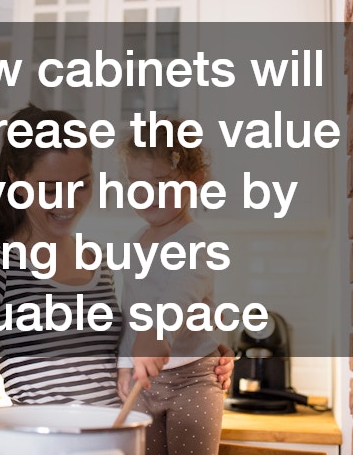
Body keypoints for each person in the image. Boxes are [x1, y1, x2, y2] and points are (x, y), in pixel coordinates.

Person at [0, 106, 232, 427]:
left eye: (81, 184)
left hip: (117, 444)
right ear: (17, 180)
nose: (67, 202)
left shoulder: (97, 262)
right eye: (51, 188)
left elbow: (141, 337)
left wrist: (196, 352)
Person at [115, 118, 225, 454]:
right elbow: (130, 312)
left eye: (161, 182)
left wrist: (158, 332)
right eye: (136, 183)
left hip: (193, 381)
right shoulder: (135, 242)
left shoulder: (195, 241)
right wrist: (123, 364)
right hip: (144, 384)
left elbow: (182, 292)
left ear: (195, 181)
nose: (146, 194)